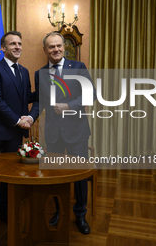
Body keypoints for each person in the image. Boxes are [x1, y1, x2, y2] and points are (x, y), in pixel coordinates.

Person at [0, 31, 39, 234]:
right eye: (12, 43)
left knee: (8, 176)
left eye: (20, 43)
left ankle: (4, 212)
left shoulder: (24, 71)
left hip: (13, 135)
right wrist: (17, 121)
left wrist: (45, 88)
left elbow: (24, 98)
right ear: (3, 48)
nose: (17, 46)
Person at [34, 32, 96, 234]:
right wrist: (29, 117)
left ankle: (80, 215)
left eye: (59, 46)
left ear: (64, 47)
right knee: (56, 175)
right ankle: (59, 211)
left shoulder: (78, 67)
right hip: (53, 134)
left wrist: (68, 105)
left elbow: (90, 95)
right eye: (51, 47)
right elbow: (40, 102)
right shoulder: (40, 73)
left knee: (79, 176)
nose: (56, 50)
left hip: (76, 132)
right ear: (45, 50)